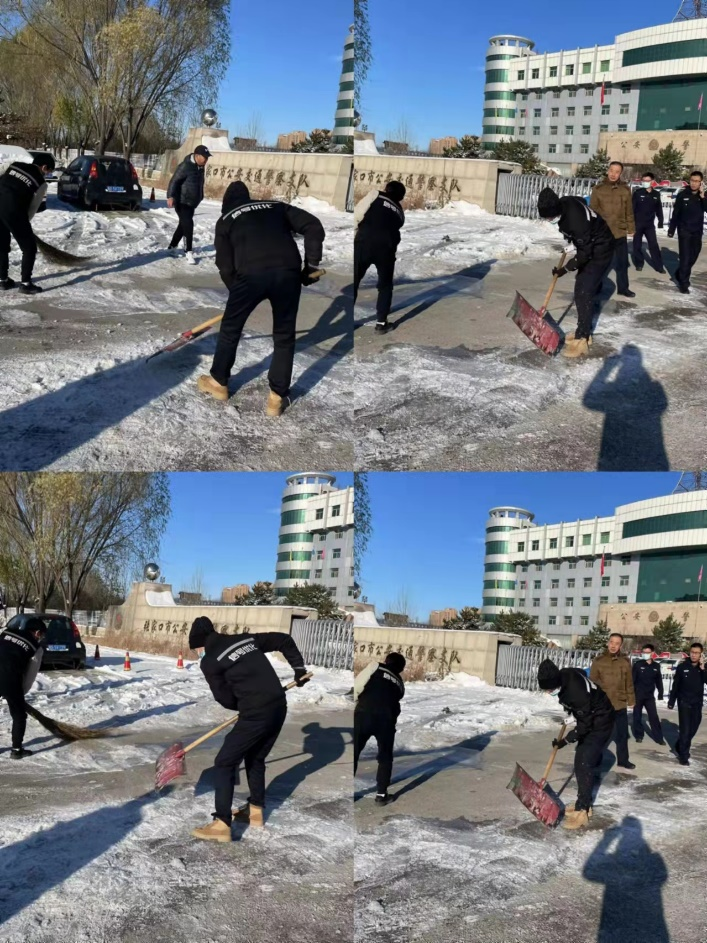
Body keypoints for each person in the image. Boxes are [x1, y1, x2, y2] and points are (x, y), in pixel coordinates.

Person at [199, 181, 325, 417]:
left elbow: (224, 266)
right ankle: (277, 398)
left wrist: (237, 294)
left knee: (230, 328)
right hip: (287, 272)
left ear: (226, 204)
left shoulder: (226, 219)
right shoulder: (275, 207)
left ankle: (218, 383)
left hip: (250, 275)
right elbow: (313, 225)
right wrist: (311, 266)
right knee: (284, 335)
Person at [188, 616, 310, 842]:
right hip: (278, 706)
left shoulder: (210, 661)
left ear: (200, 644)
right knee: (255, 759)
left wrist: (244, 704)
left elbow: (224, 698)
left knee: (225, 762)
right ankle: (255, 813)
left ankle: (222, 824)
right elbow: (283, 640)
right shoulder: (245, 640)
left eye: (196, 650)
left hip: (256, 714)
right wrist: (298, 668)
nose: (198, 654)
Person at [537, 658, 615, 829]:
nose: (548, 692)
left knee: (583, 762)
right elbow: (581, 673)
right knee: (582, 760)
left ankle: (583, 811)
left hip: (601, 720)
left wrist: (566, 740)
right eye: (546, 689)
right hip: (591, 713)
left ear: (556, 682)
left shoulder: (576, 693)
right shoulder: (566, 674)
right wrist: (571, 712)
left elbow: (585, 725)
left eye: (550, 688)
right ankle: (582, 802)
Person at [537, 186, 614, 357]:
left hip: (601, 248)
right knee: (582, 289)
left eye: (550, 216)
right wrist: (572, 241)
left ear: (557, 210)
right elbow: (580, 201)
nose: (549, 219)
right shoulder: (566, 201)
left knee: (582, 292)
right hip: (590, 241)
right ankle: (582, 331)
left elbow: (585, 254)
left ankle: (583, 339)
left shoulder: (575, 222)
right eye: (546, 216)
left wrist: (565, 269)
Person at [353, 181, 406, 334]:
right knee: (385, 286)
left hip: (364, 243)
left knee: (355, 281)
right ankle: (381, 323)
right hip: (387, 249)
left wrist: (358, 232)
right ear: (400, 197)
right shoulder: (400, 212)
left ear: (387, 189)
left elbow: (358, 213)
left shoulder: (376, 195)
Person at [353, 652, 406, 805]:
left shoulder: (375, 667)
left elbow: (358, 685)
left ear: (386, 661)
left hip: (364, 715)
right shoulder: (400, 683)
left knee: (355, 753)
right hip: (386, 721)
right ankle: (381, 795)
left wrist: (359, 702)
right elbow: (396, 699)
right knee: (385, 757)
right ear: (401, 669)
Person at [0, 152, 53, 294]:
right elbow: (33, 208)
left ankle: (3, 281)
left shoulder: (14, 165)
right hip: (14, 211)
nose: (47, 175)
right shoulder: (41, 183)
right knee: (29, 248)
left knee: (2, 245)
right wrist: (24, 226)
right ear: (44, 167)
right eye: (48, 172)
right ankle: (25, 284)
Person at [0, 617, 47, 757]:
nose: (41, 638)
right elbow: (30, 676)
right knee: (19, 715)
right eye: (42, 635)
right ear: (37, 633)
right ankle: (16, 751)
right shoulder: (35, 648)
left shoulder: (5, 633)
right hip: (9, 680)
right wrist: (20, 694)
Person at [589, 160, 636, 300]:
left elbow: (629, 211)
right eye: (611, 170)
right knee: (600, 262)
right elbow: (593, 212)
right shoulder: (598, 189)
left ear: (620, 173)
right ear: (607, 171)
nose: (613, 174)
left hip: (619, 231)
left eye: (617, 172)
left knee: (622, 263)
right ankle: (596, 287)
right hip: (603, 232)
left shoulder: (625, 190)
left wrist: (631, 228)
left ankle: (623, 288)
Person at [590, 633, 636, 771]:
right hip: (603, 705)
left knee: (622, 734)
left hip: (620, 703)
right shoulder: (598, 661)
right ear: (607, 643)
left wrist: (631, 700)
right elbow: (592, 683)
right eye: (611, 642)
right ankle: (595, 760)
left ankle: (623, 760)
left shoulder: (625, 662)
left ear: (620, 646)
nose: (613, 645)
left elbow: (629, 682)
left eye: (617, 643)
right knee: (600, 734)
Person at [166, 144, 211, 264]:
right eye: (204, 157)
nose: (206, 160)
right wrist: (170, 196)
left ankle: (172, 247)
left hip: (192, 202)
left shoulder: (200, 167)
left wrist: (200, 196)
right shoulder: (185, 166)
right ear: (197, 156)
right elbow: (174, 181)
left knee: (183, 225)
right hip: (181, 201)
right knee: (188, 224)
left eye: (207, 157)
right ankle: (188, 252)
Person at [667, 641, 707, 765]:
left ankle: (679, 745)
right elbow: (676, 685)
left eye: (697, 653)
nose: (694, 655)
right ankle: (684, 756)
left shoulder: (704, 668)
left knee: (693, 729)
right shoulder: (683, 666)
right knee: (685, 730)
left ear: (701, 654)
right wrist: (671, 701)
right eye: (692, 652)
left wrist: (703, 669)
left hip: (697, 703)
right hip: (684, 702)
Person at [667, 170, 707, 294]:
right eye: (692, 181)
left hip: (697, 231)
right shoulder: (683, 194)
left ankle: (679, 273)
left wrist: (702, 196)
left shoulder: (703, 196)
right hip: (684, 230)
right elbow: (676, 213)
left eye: (697, 181)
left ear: (701, 183)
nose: (694, 183)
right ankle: (684, 283)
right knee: (684, 257)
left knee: (693, 256)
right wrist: (671, 229)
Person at [631, 643, 665, 745]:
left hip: (649, 696)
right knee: (637, 716)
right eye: (644, 652)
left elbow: (659, 680)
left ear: (652, 653)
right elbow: (632, 680)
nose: (645, 654)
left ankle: (659, 737)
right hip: (638, 695)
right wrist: (630, 694)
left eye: (647, 652)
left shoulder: (656, 666)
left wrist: (660, 693)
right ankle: (639, 735)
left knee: (654, 717)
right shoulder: (638, 665)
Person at [631, 173, 665, 273]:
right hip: (638, 224)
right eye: (644, 181)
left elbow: (659, 209)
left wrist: (661, 221)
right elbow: (632, 209)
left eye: (647, 181)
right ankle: (639, 263)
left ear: (652, 181)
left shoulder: (656, 194)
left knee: (653, 245)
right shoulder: (638, 193)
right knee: (637, 245)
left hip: (649, 225)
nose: (645, 183)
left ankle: (659, 266)